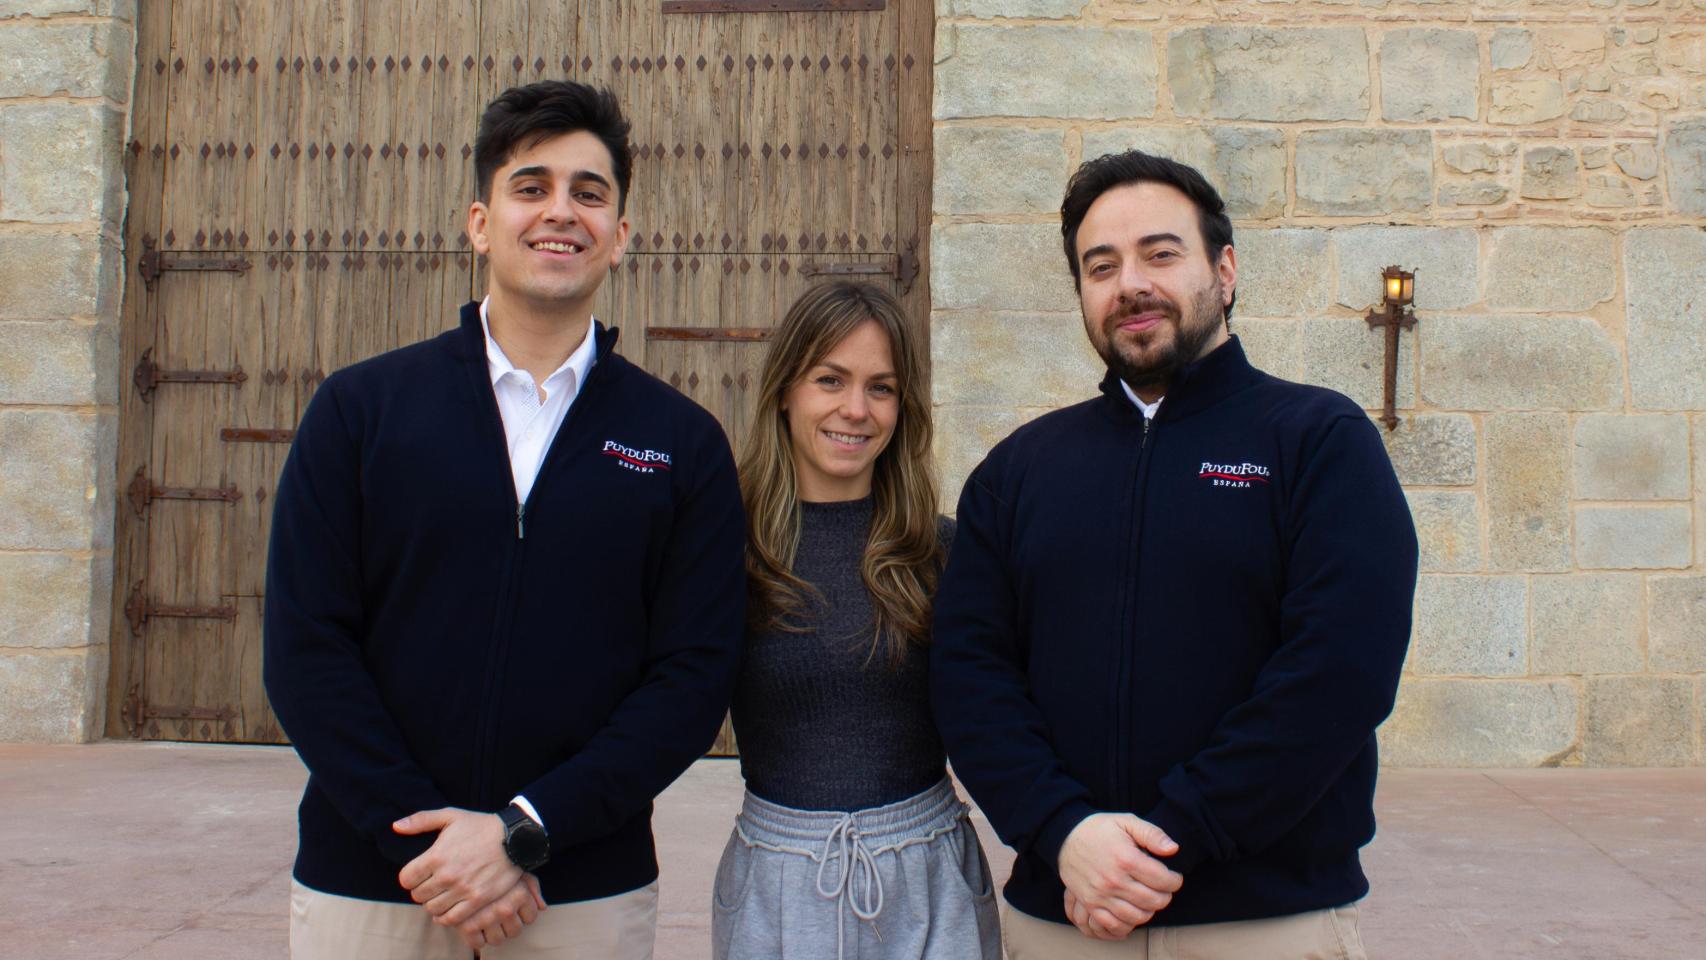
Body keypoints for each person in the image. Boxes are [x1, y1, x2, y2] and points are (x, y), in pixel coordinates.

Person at [263, 80, 745, 960]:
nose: (561, 212)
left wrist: (529, 829)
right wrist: (427, 848)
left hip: (578, 893)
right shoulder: (361, 411)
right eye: (532, 187)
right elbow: (307, 646)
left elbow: (691, 676)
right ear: (481, 222)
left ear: (621, 237)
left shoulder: (681, 442)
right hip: (375, 883)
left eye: (589, 193)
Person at [930, 150, 1418, 959]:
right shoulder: (1018, 472)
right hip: (1065, 918)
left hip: (1266, 923)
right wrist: (1065, 833)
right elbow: (971, 675)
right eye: (1101, 265)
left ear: (1223, 270)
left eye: (1161, 253)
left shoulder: (1319, 443)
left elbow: (1339, 673)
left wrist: (1174, 838)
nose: (1131, 284)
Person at [711, 281, 1002, 960]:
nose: (856, 409)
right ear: (785, 389)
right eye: (830, 380)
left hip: (929, 877)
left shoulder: (941, 552)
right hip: (776, 880)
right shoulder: (728, 552)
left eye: (881, 387)